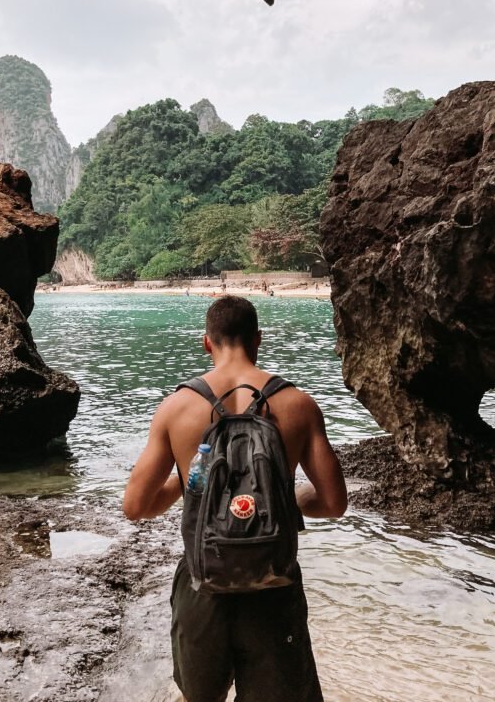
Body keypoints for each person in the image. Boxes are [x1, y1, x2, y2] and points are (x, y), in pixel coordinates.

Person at [123, 295, 347, 702]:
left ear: (206, 342)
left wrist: (186, 482)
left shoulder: (177, 408)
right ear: (258, 339)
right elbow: (333, 503)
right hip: (273, 583)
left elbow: (137, 506)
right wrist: (289, 499)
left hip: (203, 583)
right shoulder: (298, 404)